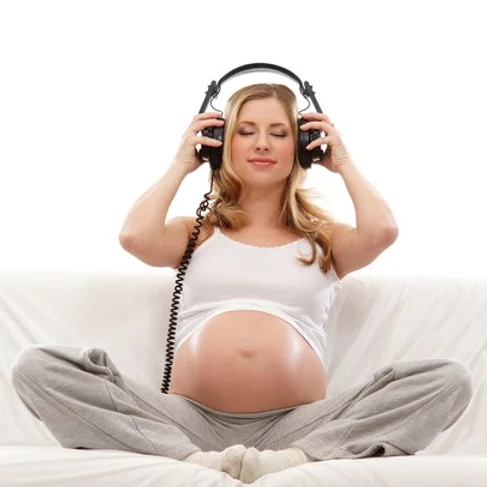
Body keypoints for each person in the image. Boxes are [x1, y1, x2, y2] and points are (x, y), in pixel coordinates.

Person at [11, 83, 473, 484]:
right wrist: (181, 164)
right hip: (186, 422)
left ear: (304, 147)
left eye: (279, 133)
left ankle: (295, 461)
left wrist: (344, 162)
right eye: (246, 131)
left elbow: (382, 233)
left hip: (297, 427)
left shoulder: (322, 241)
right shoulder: (197, 233)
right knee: (36, 366)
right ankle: (191, 459)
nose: (262, 144)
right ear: (220, 144)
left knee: (448, 380)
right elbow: (135, 236)